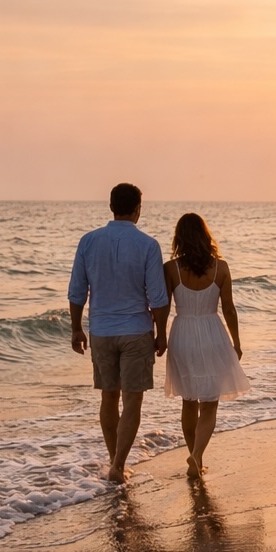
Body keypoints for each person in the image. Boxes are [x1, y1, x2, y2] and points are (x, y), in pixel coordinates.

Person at [68, 183, 170, 484]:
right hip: (136, 331)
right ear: (138, 209)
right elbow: (159, 298)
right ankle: (118, 465)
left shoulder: (88, 242)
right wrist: (161, 333)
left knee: (108, 397)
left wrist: (77, 329)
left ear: (111, 206)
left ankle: (115, 461)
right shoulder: (148, 245)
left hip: (101, 331)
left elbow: (77, 292)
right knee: (133, 401)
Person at [162, 212, 248, 478]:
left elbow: (163, 308)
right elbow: (230, 309)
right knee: (209, 403)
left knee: (189, 401)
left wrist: (159, 336)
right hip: (212, 333)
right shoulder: (220, 267)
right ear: (205, 235)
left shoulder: (171, 268)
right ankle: (197, 456)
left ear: (179, 238)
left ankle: (195, 459)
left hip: (182, 334)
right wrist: (236, 342)